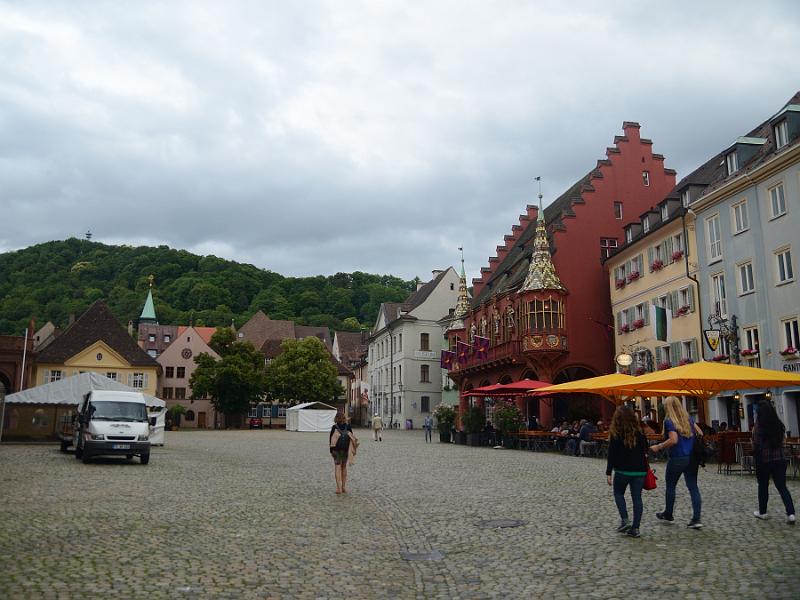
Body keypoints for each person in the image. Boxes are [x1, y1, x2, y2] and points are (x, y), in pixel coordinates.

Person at [650, 396, 704, 529]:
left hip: (678, 457)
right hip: (691, 457)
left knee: (671, 485)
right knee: (693, 487)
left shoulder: (669, 421)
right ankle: (696, 518)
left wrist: (659, 446)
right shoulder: (688, 419)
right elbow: (700, 432)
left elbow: (673, 440)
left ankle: (668, 513)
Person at [606, 406, 649, 538]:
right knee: (637, 498)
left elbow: (611, 454)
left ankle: (625, 519)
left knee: (618, 493)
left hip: (622, 471)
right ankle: (635, 528)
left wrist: (608, 472)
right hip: (639, 471)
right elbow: (645, 450)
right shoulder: (640, 433)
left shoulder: (616, 434)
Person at [751, 401, 795, 524]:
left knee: (763, 486)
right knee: (782, 487)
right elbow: (782, 440)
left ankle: (763, 512)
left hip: (764, 460)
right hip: (779, 459)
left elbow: (757, 444)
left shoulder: (759, 425)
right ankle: (791, 513)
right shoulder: (778, 424)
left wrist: (754, 450)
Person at [329, 413, 358, 494]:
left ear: (336, 418)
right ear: (344, 418)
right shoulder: (348, 427)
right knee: (344, 467)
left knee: (337, 468)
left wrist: (331, 450)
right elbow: (352, 439)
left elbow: (331, 440)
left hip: (336, 450)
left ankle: (338, 488)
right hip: (345, 450)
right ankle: (344, 487)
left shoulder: (334, 427)